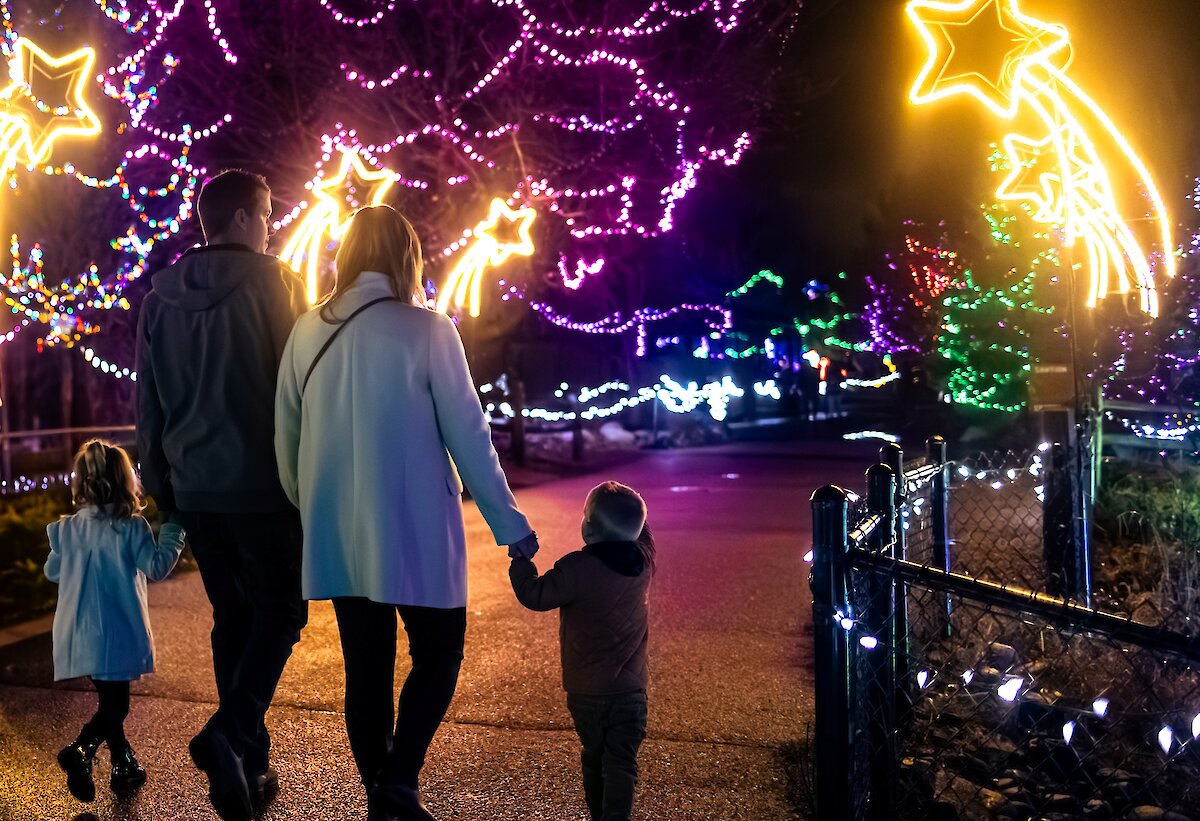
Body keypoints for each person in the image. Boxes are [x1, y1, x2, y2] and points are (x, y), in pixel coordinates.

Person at [274, 204, 538, 821]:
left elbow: (285, 437)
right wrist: (511, 528)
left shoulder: (306, 330)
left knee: (366, 669)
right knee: (440, 653)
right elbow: (469, 438)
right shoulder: (428, 330)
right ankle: (399, 781)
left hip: (338, 527)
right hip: (417, 526)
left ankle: (383, 793)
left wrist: (309, 501)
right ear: (405, 257)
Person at [135, 169, 309, 821]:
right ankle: (230, 736)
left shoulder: (158, 297)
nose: (271, 227)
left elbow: (145, 402)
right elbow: (299, 390)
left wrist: (162, 489)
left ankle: (250, 762)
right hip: (263, 486)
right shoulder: (279, 285)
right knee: (283, 611)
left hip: (195, 487)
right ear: (240, 217)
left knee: (233, 616)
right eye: (266, 214)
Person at [45, 440, 186, 804]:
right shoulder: (131, 528)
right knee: (116, 706)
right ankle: (80, 750)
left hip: (77, 633)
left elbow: (52, 572)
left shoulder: (68, 530)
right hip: (115, 633)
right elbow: (156, 566)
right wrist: (174, 532)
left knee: (110, 703)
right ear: (125, 481)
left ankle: (123, 765)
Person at [509, 481, 654, 821]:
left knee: (593, 754)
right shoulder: (644, 563)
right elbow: (641, 531)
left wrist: (521, 559)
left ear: (587, 526)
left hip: (586, 692)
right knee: (621, 760)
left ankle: (598, 814)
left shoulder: (575, 568)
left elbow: (535, 595)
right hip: (631, 692)